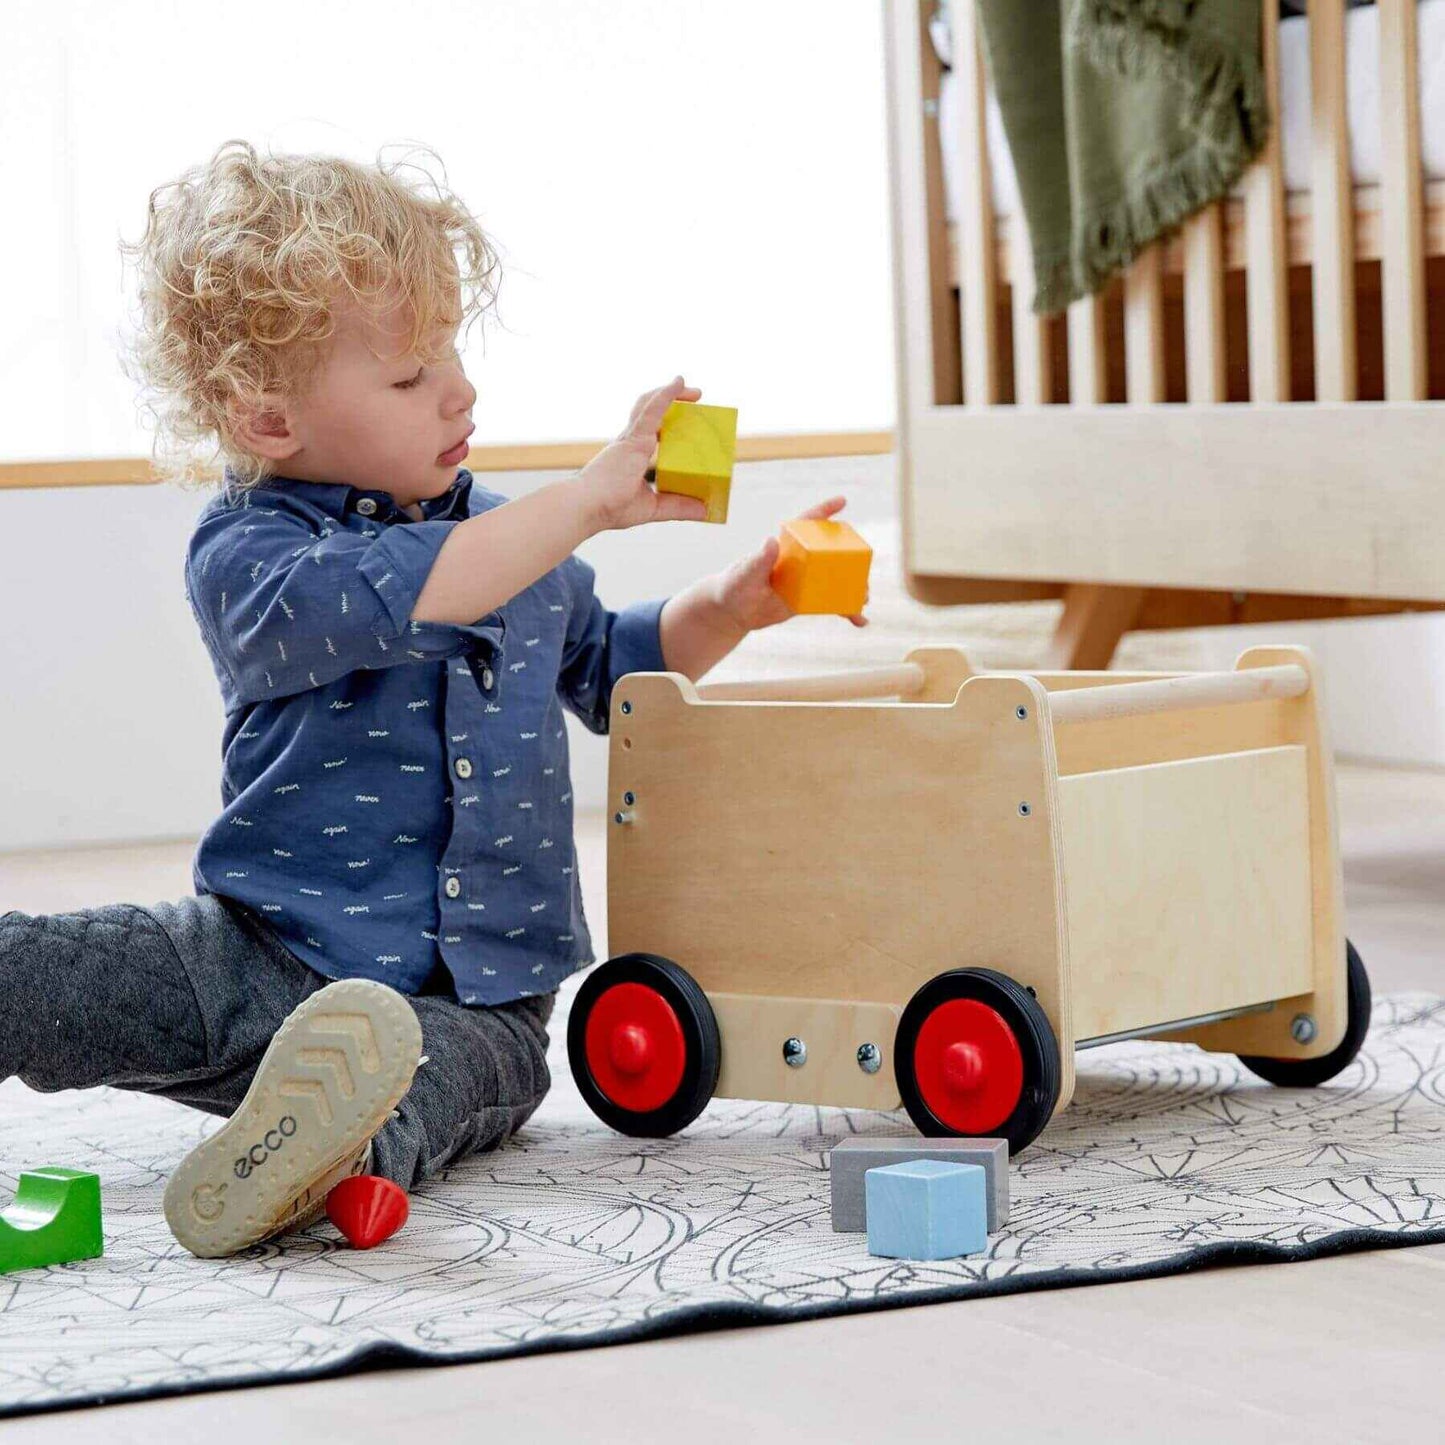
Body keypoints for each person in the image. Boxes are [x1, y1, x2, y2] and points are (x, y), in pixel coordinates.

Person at [0, 140, 865, 1258]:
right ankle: (297, 1117)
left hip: (473, 1001)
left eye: (451, 353)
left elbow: (616, 671)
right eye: (410, 376)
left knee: (447, 1086)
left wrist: (734, 603)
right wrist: (588, 502)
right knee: (64, 971)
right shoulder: (253, 555)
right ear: (268, 420)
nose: (459, 390)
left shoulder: (519, 542)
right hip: (260, 952)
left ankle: (324, 1156)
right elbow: (411, 591)